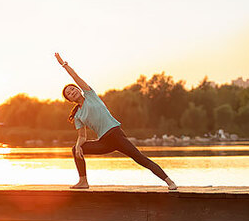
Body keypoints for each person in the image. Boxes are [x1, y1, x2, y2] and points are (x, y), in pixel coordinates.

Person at [55, 53, 178, 191]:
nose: (72, 92)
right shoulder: (77, 114)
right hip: (104, 142)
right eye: (69, 94)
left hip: (115, 135)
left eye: (73, 89)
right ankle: (83, 181)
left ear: (79, 89)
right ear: (70, 100)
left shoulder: (90, 95)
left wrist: (64, 64)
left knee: (139, 158)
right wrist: (78, 146)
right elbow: (82, 136)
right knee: (76, 149)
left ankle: (169, 182)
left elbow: (75, 77)